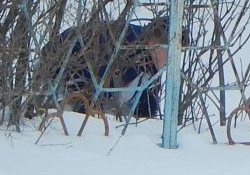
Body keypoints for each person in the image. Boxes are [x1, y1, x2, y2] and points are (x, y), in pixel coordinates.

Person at [41, 14, 171, 119]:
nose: (171, 59)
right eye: (168, 51)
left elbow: (146, 106)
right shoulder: (127, 43)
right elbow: (99, 80)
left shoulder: (150, 64)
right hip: (65, 69)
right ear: (154, 42)